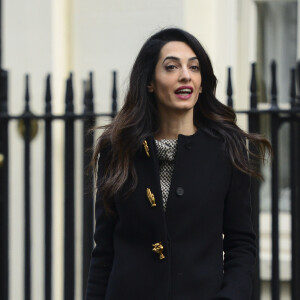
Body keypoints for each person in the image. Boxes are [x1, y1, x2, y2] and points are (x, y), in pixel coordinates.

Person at [85, 28, 272, 300]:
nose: (185, 75)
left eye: (194, 67)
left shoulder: (226, 150)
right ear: (149, 82)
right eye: (171, 67)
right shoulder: (118, 151)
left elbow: (240, 245)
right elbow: (104, 251)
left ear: (201, 81)